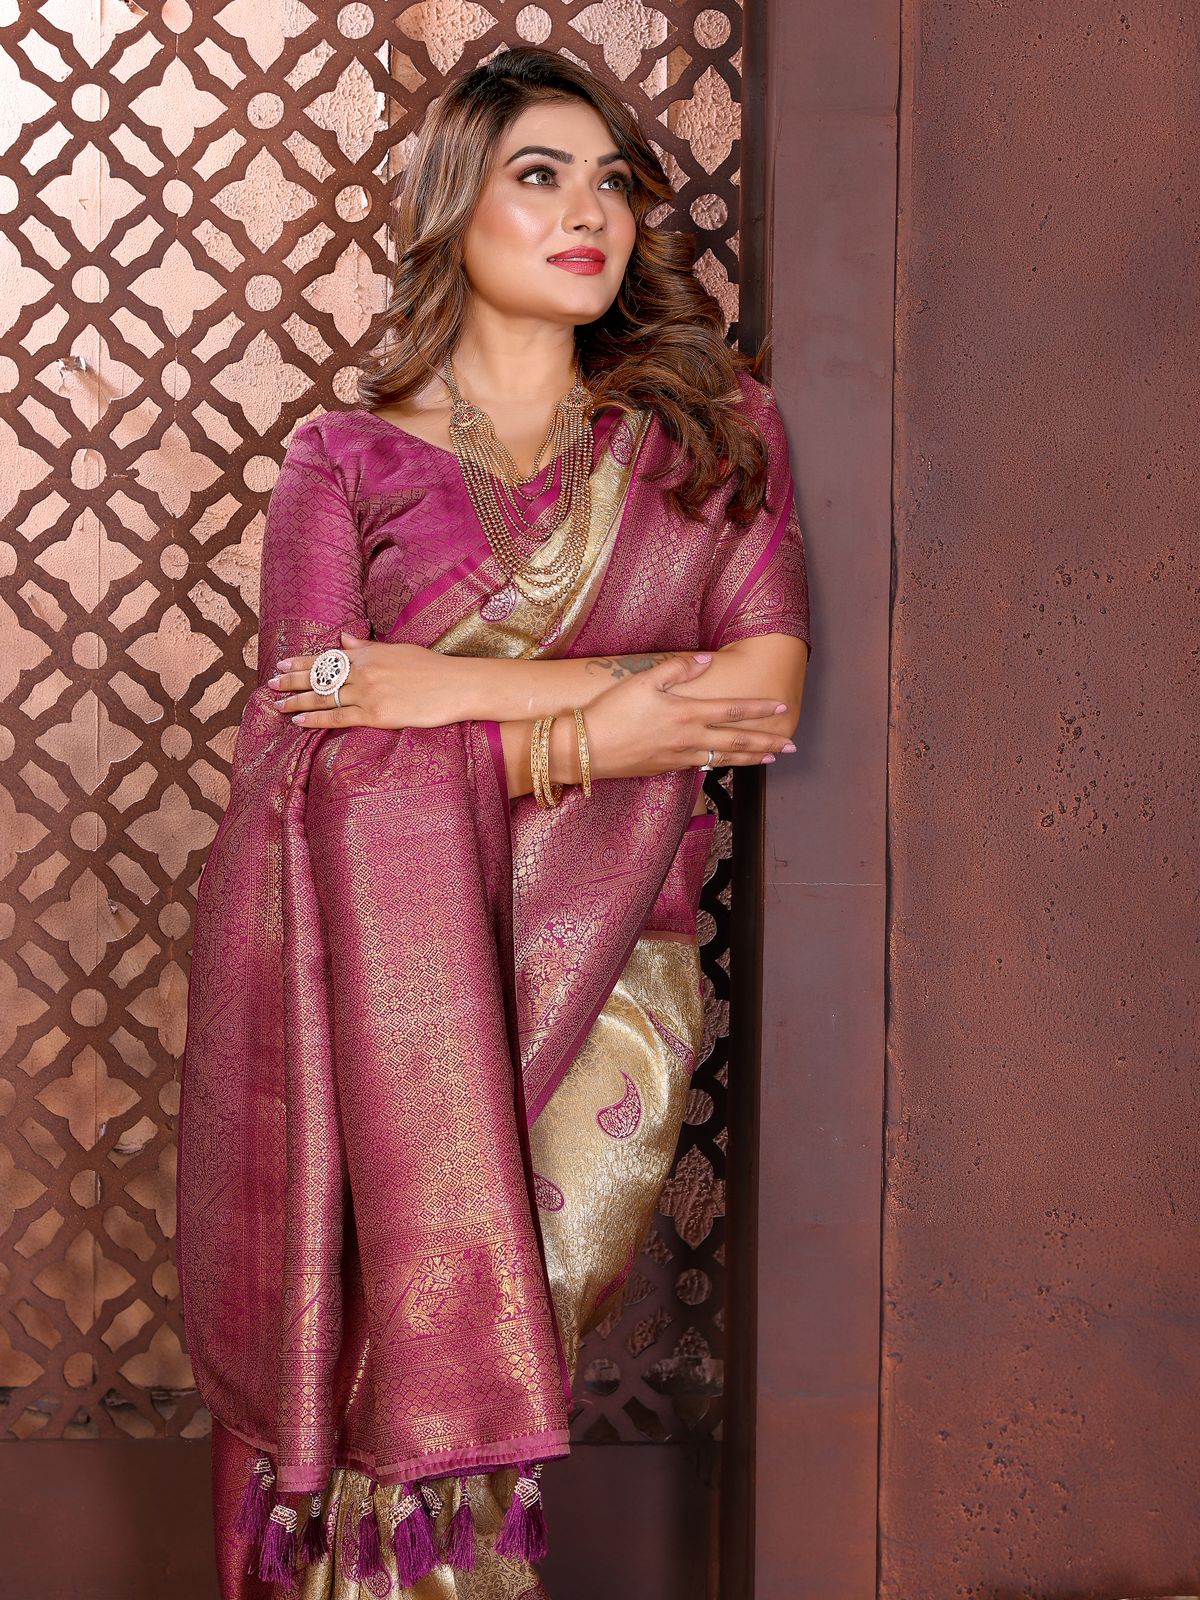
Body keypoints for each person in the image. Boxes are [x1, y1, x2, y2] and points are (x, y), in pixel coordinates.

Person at [177, 44, 810, 1600]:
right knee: (372, 1354)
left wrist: (427, 690)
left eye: (612, 180)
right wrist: (609, 724)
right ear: (453, 205)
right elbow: (299, 747)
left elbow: (761, 697)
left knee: (483, 1337)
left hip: (610, 981)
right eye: (541, 174)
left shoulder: (710, 436)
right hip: (378, 997)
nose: (589, 209)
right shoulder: (344, 457)